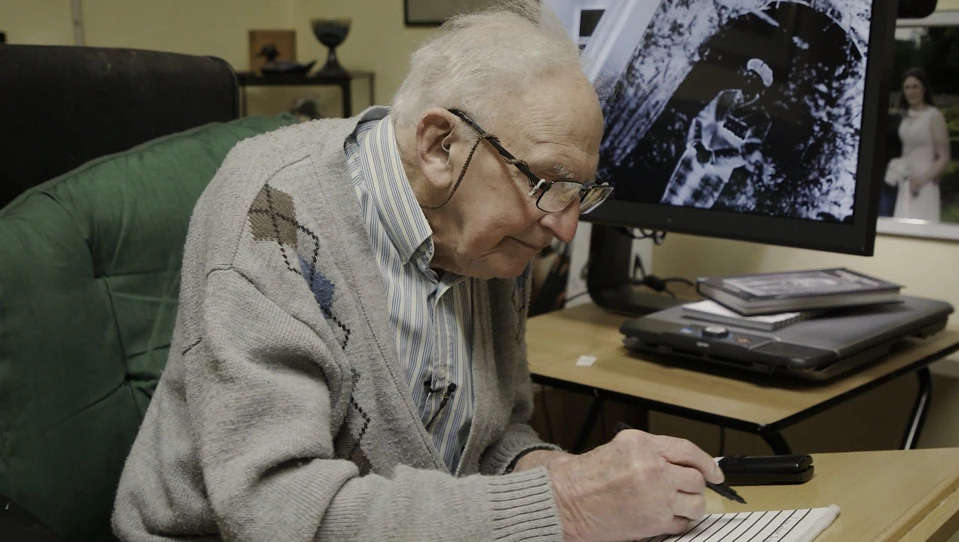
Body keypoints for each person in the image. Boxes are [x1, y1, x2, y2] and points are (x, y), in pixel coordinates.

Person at [111, 2, 724, 540]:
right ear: (439, 145)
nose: (564, 228)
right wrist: (563, 506)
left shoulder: (491, 236)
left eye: (578, 193)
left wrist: (571, 477)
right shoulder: (274, 214)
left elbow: (495, 439)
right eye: (547, 183)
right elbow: (274, 513)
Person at [660, 58, 773, 208]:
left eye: (754, 81)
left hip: (718, 170)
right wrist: (698, 145)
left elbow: (746, 152)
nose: (748, 82)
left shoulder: (761, 119)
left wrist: (713, 157)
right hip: (695, 156)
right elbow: (700, 120)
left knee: (693, 211)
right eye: (748, 76)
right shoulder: (725, 96)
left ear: (761, 89)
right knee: (670, 200)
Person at [892, 67, 951, 221]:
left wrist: (921, 181)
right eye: (907, 87)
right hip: (905, 182)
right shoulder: (905, 116)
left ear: (923, 89)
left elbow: (944, 156)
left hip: (925, 182)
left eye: (915, 87)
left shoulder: (934, 116)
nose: (911, 91)